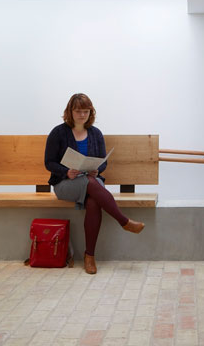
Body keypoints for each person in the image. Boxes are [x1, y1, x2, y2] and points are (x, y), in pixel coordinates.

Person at [45, 93, 145, 275]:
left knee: (93, 200)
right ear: (70, 111)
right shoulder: (58, 132)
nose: (82, 115)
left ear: (91, 112)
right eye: (78, 111)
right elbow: (49, 162)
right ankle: (124, 221)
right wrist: (66, 171)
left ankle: (89, 256)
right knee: (91, 184)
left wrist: (98, 170)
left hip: (92, 182)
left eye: (86, 111)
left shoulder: (96, 133)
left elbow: (103, 161)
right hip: (66, 184)